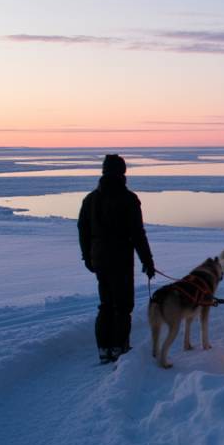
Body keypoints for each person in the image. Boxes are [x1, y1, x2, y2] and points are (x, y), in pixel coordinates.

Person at [77, 154, 156, 364]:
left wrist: (87, 256)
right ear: (122, 172)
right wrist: (147, 261)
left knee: (106, 303)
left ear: (104, 171)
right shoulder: (128, 198)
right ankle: (119, 347)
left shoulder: (90, 199)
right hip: (120, 259)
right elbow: (137, 234)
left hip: (99, 259)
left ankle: (104, 348)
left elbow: (83, 230)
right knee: (122, 305)